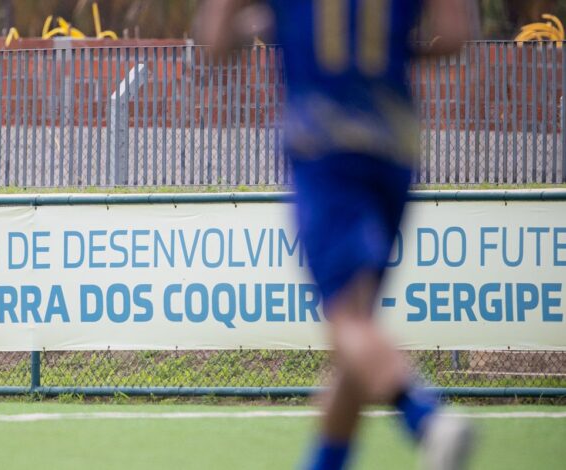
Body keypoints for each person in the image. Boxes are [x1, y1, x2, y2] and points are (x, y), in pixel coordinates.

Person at [196, 1, 473, 469]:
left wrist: (264, 29)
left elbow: (214, 44)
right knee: (356, 330)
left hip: (324, 147)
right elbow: (454, 37)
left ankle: (425, 418)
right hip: (393, 149)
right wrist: (387, 51)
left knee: (346, 321)